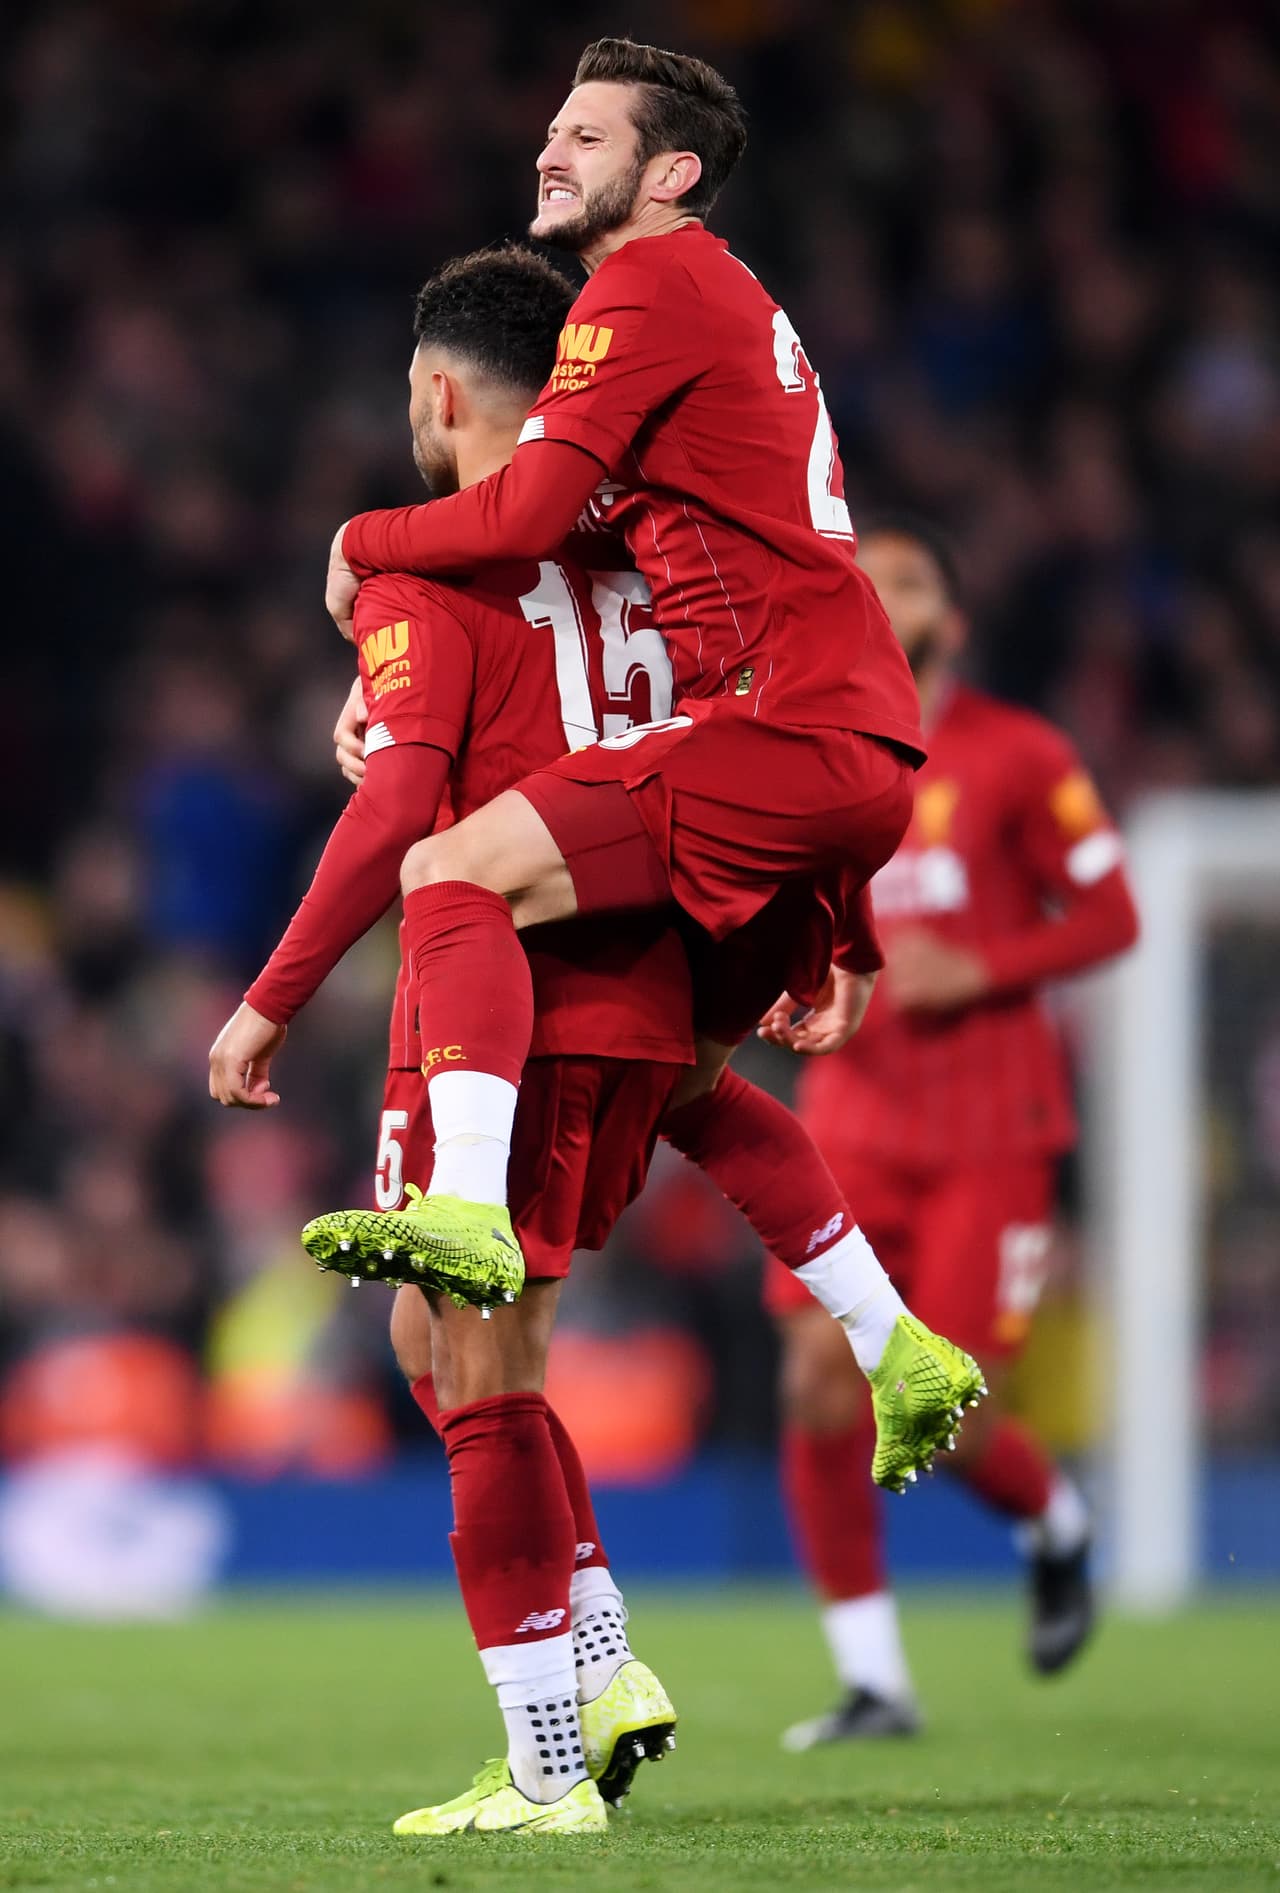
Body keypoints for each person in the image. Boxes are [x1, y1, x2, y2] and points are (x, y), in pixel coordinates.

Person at [307, 38, 983, 1480]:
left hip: (777, 720)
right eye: (550, 128)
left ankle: (468, 1206)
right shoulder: (724, 308)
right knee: (689, 1079)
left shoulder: (650, 284)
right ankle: (895, 1342)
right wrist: (846, 916)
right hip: (846, 744)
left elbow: (519, 514)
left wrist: (361, 551)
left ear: (670, 173)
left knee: (450, 870)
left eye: (586, 134)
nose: (550, 151)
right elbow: (628, 530)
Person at [211, 247, 692, 1837]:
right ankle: (609, 1652)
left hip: (501, 1001)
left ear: (436, 394)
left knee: (476, 1355)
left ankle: (551, 1762)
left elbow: (407, 811)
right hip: (647, 994)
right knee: (445, 1342)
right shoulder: (641, 547)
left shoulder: (426, 565)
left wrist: (273, 992)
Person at [757, 516, 1140, 1747]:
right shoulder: (795, 752)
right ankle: (873, 1683)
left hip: (989, 1127)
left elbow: (1110, 916)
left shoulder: (1018, 754)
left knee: (946, 1406)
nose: (876, 587)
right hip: (852, 1120)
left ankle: (1055, 1522)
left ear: (948, 620)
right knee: (819, 1381)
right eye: (860, 574)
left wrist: (975, 966)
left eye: (906, 578)